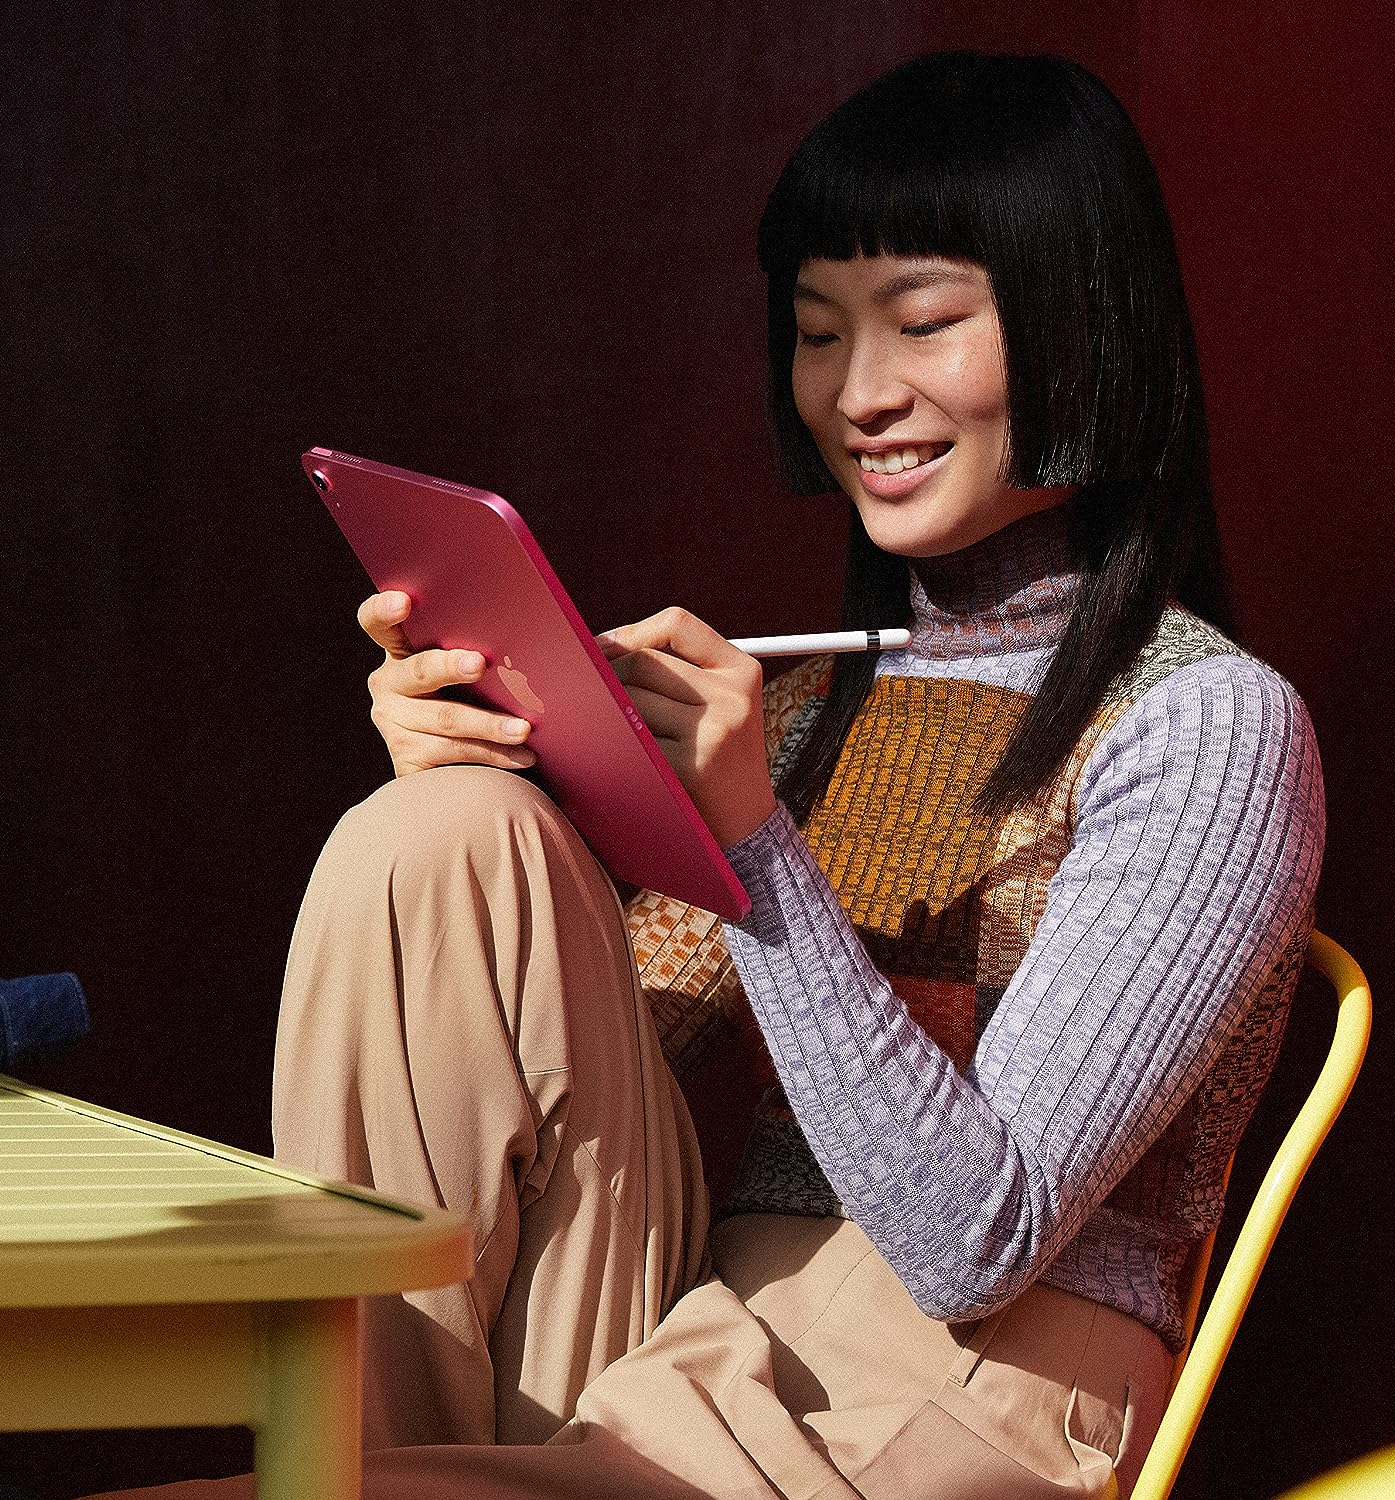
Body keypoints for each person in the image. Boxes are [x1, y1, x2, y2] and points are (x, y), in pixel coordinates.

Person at [97, 50, 1323, 1500]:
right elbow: (577, 1075)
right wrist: (502, 785)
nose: (861, 392)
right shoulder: (807, 711)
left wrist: (751, 839)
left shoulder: (1207, 725)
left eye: (924, 322)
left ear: (1085, 329)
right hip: (693, 1338)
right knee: (435, 838)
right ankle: (355, 1456)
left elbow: (972, 1242)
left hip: (955, 1399)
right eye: (816, 333)